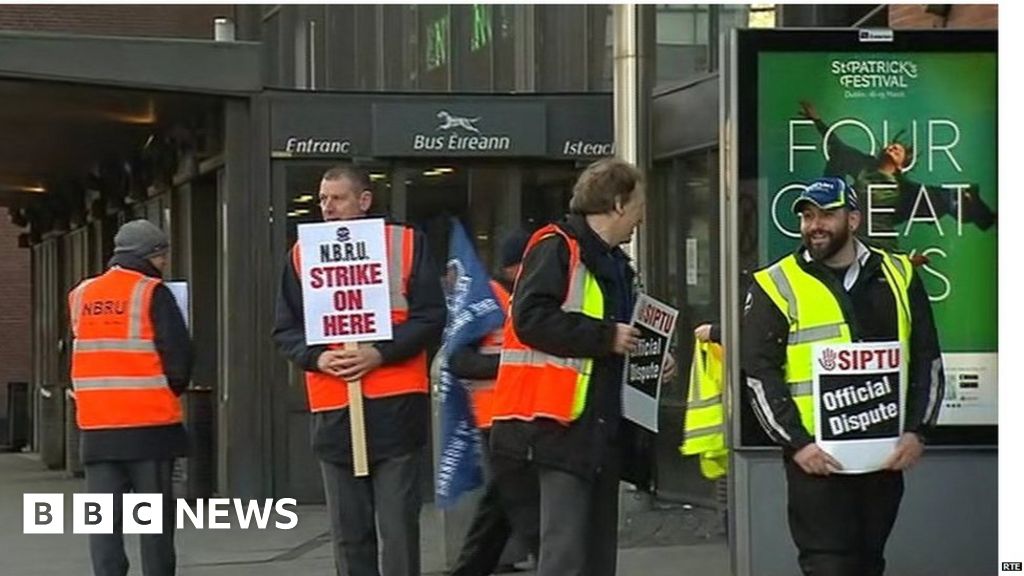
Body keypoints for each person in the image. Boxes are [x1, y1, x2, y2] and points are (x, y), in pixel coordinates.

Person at [742, 176, 945, 576]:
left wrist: (917, 431)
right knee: (829, 565)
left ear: (853, 220)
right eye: (807, 216)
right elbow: (758, 373)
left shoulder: (899, 275)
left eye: (827, 215)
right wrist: (798, 444)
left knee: (869, 562)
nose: (815, 225)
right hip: (817, 461)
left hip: (883, 459)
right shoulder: (776, 283)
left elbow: (927, 360)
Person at [489, 158, 676, 576]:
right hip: (554, 426)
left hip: (598, 427)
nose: (641, 218)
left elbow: (620, 337)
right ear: (616, 203)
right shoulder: (557, 247)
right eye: (639, 205)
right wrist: (607, 336)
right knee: (565, 556)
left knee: (593, 558)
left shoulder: (616, 265)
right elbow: (531, 318)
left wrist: (649, 358)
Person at [273, 164, 446, 576]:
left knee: (397, 529)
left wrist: (379, 354)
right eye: (322, 200)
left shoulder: (404, 243)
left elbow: (430, 317)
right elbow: (285, 331)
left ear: (364, 201)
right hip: (334, 408)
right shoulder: (302, 254)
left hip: (395, 404)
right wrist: (317, 357)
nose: (327, 208)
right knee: (349, 533)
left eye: (337, 198)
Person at [69, 219, 192, 576]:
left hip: (96, 430)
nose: (165, 263)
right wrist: (168, 389)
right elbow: (179, 359)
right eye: (163, 256)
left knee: (104, 525)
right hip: (149, 428)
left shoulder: (81, 294)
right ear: (151, 255)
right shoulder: (153, 292)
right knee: (154, 528)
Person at [447, 230, 538, 576]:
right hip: (496, 417)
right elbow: (459, 360)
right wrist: (511, 365)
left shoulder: (521, 298)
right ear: (517, 267)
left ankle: (471, 568)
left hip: (522, 412)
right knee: (519, 501)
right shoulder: (487, 299)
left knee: (504, 501)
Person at [798, 100, 996, 254]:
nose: (893, 147)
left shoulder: (907, 191)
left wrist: (968, 202)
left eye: (899, 150)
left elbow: (941, 198)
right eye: (892, 145)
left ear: (902, 164)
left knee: (953, 197)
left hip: (881, 245)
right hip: (852, 239)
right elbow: (837, 145)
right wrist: (817, 121)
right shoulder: (863, 166)